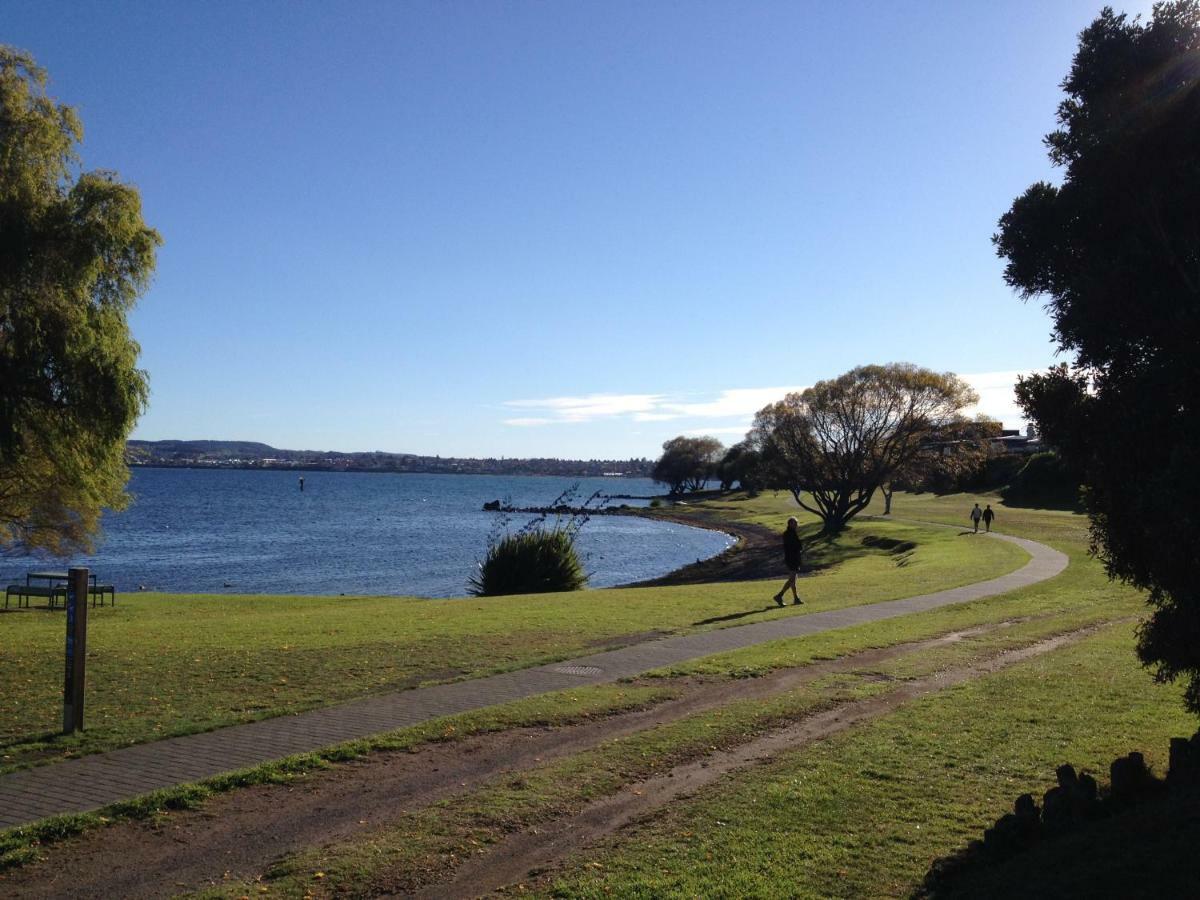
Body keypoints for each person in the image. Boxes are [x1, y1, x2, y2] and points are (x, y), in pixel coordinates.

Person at [774, 516, 804, 606]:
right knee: (792, 579)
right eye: (795, 523)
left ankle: (796, 598)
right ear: (790, 524)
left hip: (793, 558)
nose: (796, 525)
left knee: (793, 580)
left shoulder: (792, 533)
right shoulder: (789, 534)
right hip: (792, 559)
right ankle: (779, 595)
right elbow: (794, 547)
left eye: (796, 523)